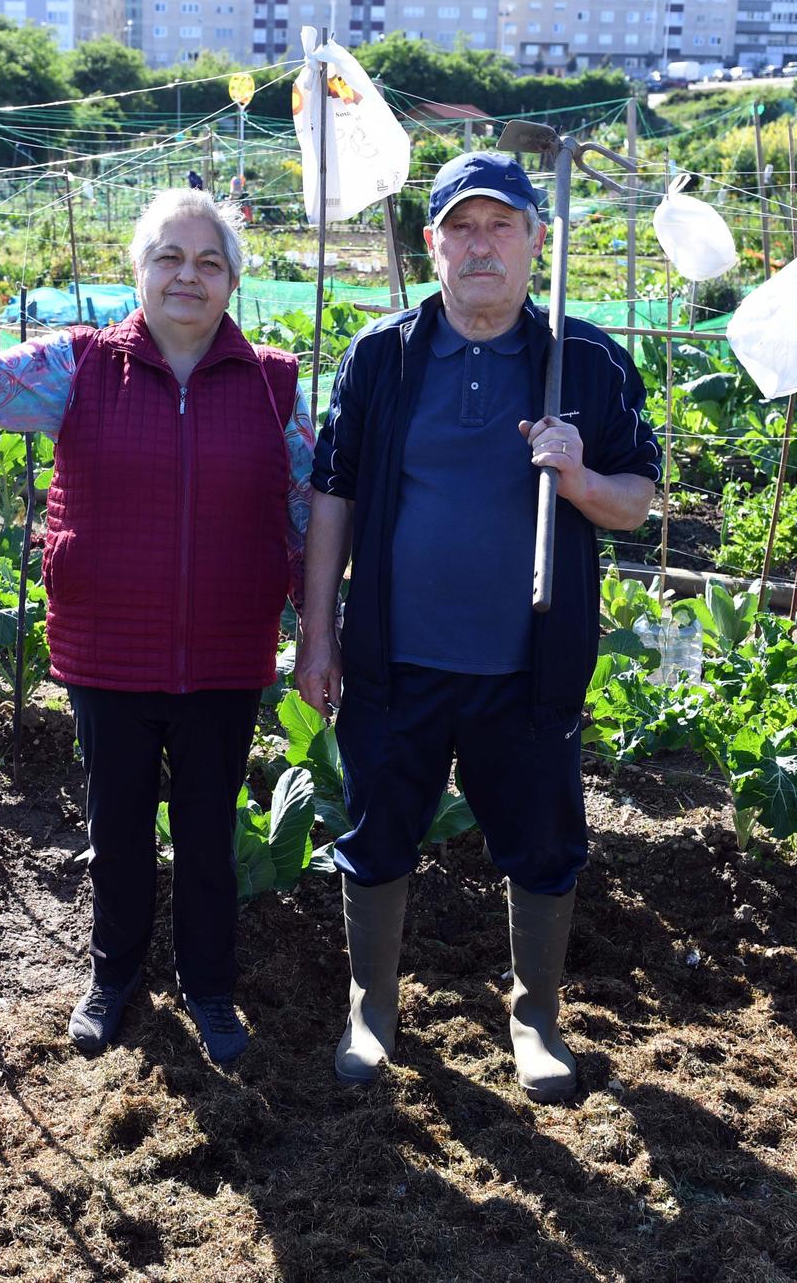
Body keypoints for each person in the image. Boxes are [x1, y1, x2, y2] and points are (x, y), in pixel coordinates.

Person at [0, 189, 313, 1067]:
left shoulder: (272, 383)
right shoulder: (81, 365)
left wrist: (320, 625)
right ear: (139, 272)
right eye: (169, 258)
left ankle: (210, 988)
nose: (187, 276)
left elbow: (305, 505)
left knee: (207, 834)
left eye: (208, 262)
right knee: (115, 828)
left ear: (232, 280)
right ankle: (113, 977)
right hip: (110, 653)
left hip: (226, 655)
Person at [296, 151, 660, 1102]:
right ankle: (372, 1009)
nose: (481, 245)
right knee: (376, 838)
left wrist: (578, 478)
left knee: (542, 844)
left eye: (503, 226)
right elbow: (331, 495)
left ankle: (534, 1018)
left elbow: (639, 503)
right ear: (433, 246)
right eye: (462, 227)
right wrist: (320, 634)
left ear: (537, 240)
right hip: (394, 664)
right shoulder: (384, 355)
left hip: (525, 670)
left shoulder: (583, 362)